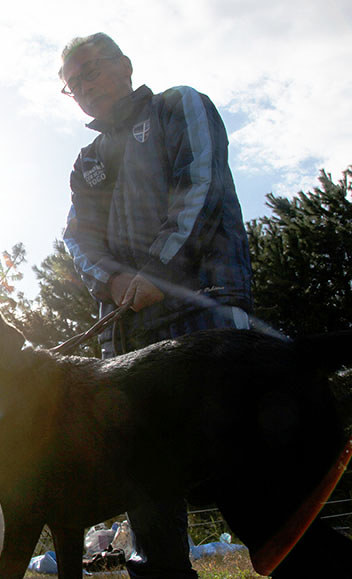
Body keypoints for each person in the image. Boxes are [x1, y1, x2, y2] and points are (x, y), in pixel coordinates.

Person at [59, 33, 253, 578]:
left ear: (123, 65)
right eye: (72, 84)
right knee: (142, 472)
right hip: (128, 338)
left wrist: (156, 273)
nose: (84, 87)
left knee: (239, 464)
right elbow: (78, 238)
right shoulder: (87, 160)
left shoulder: (177, 105)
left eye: (91, 71)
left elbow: (202, 187)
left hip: (205, 313)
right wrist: (115, 281)